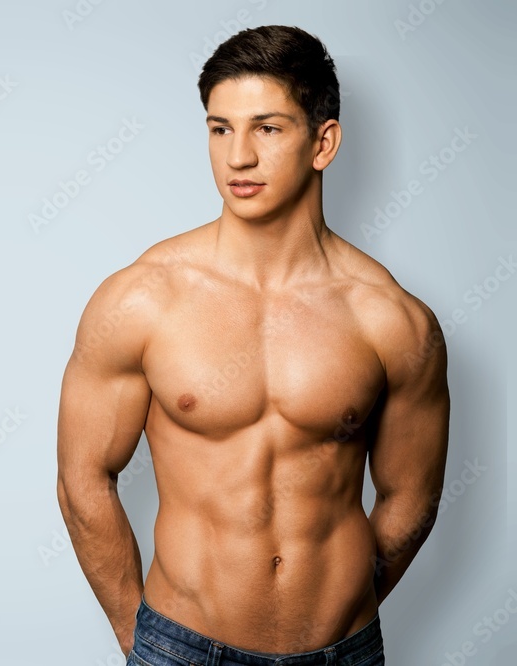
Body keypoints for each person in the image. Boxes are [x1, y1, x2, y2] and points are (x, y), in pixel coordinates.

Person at [55, 25, 450, 666]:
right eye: (219, 129)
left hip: (343, 652)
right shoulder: (142, 299)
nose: (237, 157)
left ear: (323, 142)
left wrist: (344, 604)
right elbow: (82, 479)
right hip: (179, 645)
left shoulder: (390, 319)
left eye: (267, 128)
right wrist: (142, 641)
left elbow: (413, 495)